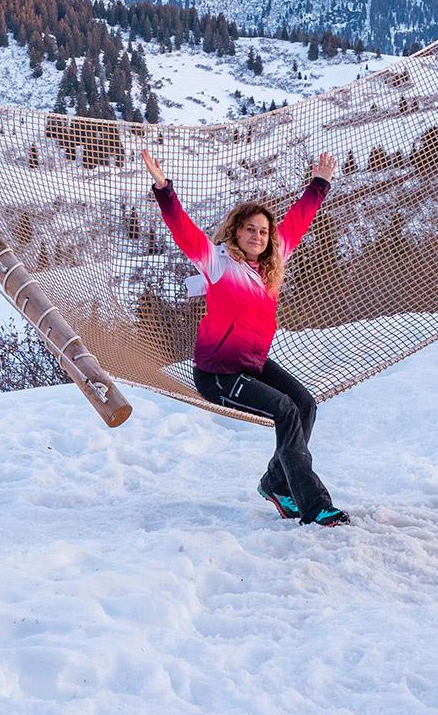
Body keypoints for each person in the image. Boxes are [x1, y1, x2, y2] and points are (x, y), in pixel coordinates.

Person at [142, 145, 350, 526]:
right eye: (250, 229)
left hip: (251, 366)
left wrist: (319, 183)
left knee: (303, 404)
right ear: (236, 232)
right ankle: (313, 503)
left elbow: (300, 220)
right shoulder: (216, 261)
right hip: (218, 374)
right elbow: (182, 228)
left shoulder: (272, 264)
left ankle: (276, 483)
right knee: (285, 410)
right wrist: (164, 189)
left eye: (264, 231)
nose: (258, 235)